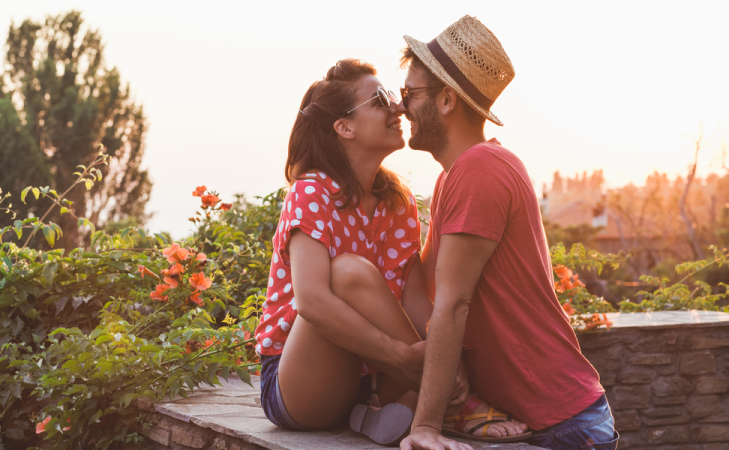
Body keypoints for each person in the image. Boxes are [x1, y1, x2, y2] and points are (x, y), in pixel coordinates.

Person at [255, 58, 528, 446]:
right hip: (294, 383)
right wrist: (403, 359)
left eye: (395, 97)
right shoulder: (311, 192)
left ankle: (388, 407)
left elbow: (414, 298)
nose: (397, 107)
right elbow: (311, 302)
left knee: (370, 287)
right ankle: (444, 402)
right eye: (380, 99)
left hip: (363, 380)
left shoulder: (394, 202)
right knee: (350, 273)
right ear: (344, 127)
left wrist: (450, 362)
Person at [396, 16, 619, 450]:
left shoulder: (481, 170)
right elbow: (421, 289)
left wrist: (425, 427)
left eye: (410, 93)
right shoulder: (454, 177)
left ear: (445, 100)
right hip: (540, 421)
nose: (402, 105)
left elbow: (453, 302)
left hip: (562, 427)